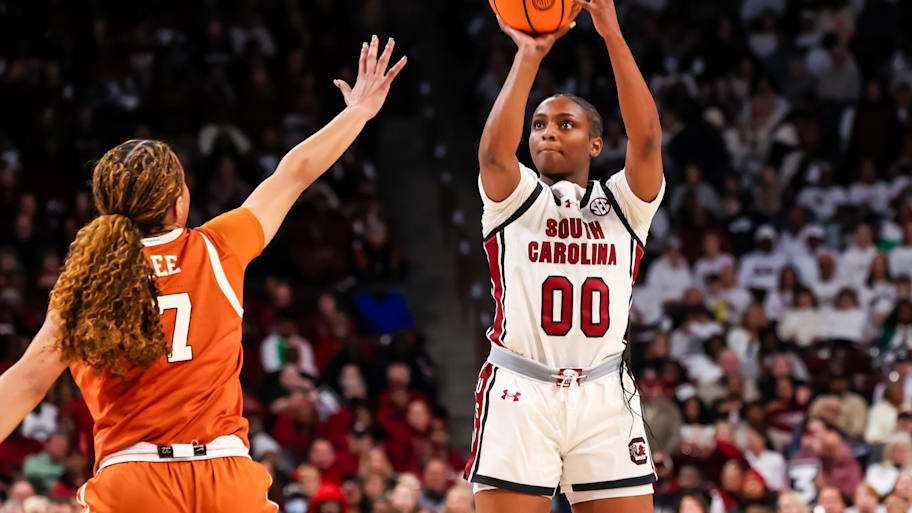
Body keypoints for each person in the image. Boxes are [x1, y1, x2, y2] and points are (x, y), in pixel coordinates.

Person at [0, 36, 406, 512]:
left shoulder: (88, 283)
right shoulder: (218, 247)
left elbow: (26, 383)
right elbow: (293, 173)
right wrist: (357, 111)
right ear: (179, 201)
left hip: (134, 479)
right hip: (224, 477)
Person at [466, 0, 665, 511]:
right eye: (538, 124)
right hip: (520, 389)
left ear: (597, 144)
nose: (548, 131)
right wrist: (529, 54)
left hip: (602, 392)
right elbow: (493, 154)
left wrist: (613, 36)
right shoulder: (516, 199)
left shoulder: (622, 207)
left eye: (565, 124)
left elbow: (645, 141)